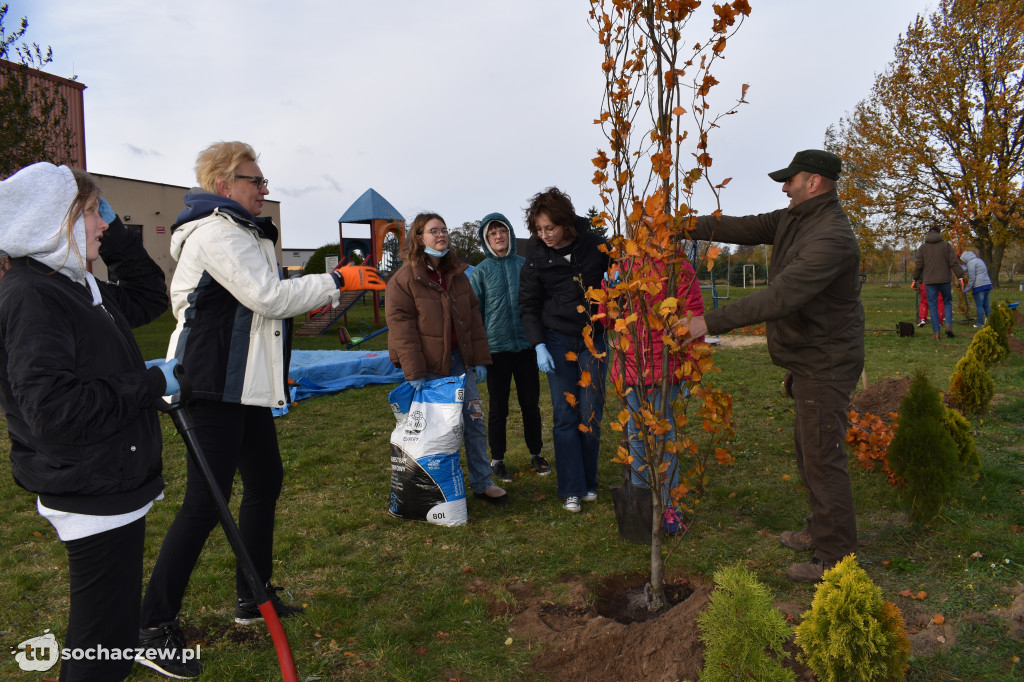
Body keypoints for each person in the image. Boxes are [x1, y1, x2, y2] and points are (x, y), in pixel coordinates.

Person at [139, 141, 384, 678]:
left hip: (242, 388)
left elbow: (265, 314)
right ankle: (151, 624)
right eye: (256, 179)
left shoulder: (243, 232)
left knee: (265, 480)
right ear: (225, 185)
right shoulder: (216, 234)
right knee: (205, 505)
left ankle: (253, 597)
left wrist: (322, 295)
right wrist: (338, 279)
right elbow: (269, 297)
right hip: (210, 387)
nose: (265, 188)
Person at [0, 163, 177, 680]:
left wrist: (114, 231)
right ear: (55, 220)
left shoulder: (77, 285)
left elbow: (147, 295)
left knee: (108, 638)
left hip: (106, 479)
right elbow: (54, 412)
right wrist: (151, 383)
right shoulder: (36, 296)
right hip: (90, 487)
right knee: (104, 648)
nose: (102, 224)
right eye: (91, 213)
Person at [684, 150, 865, 582]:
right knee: (810, 453)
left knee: (823, 458)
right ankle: (821, 529)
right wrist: (683, 224)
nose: (784, 187)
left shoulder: (832, 237)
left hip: (827, 361)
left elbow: (779, 297)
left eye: (791, 180)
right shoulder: (794, 218)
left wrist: (705, 321)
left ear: (815, 182)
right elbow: (739, 226)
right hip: (809, 358)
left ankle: (834, 557)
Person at [385, 212, 507, 505]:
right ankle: (434, 488)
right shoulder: (405, 280)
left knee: (473, 422)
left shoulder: (458, 276)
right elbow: (401, 327)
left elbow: (473, 318)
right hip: (428, 369)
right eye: (433, 231)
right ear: (418, 238)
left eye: (444, 230)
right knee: (437, 431)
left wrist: (478, 359)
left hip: (460, 363)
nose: (441, 235)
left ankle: (482, 482)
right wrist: (414, 371)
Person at [600, 244, 704, 530]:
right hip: (632, 369)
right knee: (635, 437)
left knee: (664, 439)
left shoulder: (678, 267)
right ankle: (642, 508)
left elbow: (694, 318)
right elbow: (608, 320)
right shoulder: (622, 266)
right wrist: (610, 292)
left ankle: (670, 509)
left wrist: (691, 370)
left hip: (665, 369)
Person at [519, 188, 610, 513]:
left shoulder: (594, 243)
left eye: (550, 229)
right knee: (564, 413)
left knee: (590, 410)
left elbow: (622, 270)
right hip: (557, 340)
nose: (545, 236)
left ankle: (588, 482)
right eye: (539, 230)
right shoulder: (536, 253)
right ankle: (571, 488)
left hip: (593, 337)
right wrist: (539, 344)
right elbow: (528, 302)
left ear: (566, 224)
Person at [468, 213, 549, 482]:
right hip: (496, 350)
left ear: (510, 234)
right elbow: (474, 316)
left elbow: (538, 304)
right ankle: (498, 459)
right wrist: (478, 355)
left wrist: (541, 343)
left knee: (530, 404)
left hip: (526, 347)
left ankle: (536, 453)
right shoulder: (480, 272)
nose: (498, 236)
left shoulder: (526, 266)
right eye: (493, 233)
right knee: (498, 409)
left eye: (502, 231)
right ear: (486, 239)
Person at [911, 226, 964, 339]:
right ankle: (948, 326)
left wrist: (914, 279)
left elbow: (919, 265)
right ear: (939, 234)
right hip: (945, 280)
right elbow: (954, 262)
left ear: (929, 233)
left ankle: (937, 333)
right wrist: (960, 277)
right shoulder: (946, 246)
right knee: (947, 303)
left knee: (933, 306)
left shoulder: (923, 248)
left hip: (930, 281)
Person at [960, 250, 993, 327]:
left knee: (979, 306)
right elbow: (976, 271)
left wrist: (967, 288)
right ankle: (991, 320)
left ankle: (979, 323)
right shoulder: (979, 260)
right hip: (987, 284)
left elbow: (972, 277)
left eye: (963, 261)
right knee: (986, 305)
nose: (963, 263)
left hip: (979, 287)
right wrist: (965, 269)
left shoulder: (971, 263)